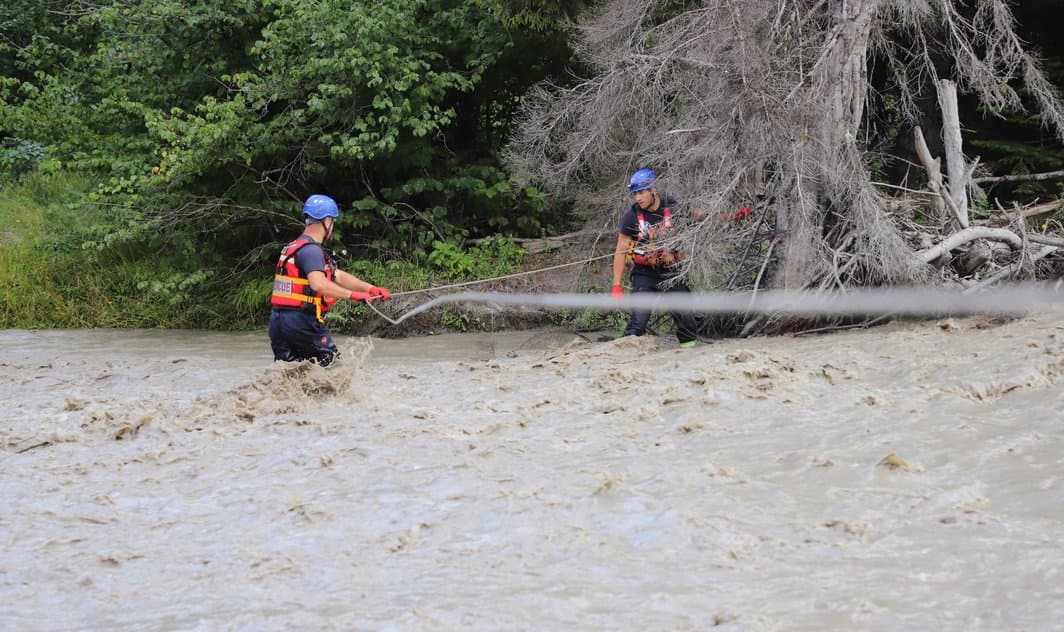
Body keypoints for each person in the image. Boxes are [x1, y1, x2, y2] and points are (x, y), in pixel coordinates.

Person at [269, 194, 391, 366]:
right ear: (326, 221)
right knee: (334, 368)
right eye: (332, 221)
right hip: (302, 322)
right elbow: (319, 284)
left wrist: (370, 289)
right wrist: (353, 295)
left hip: (278, 323)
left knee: (293, 373)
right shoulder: (312, 251)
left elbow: (337, 275)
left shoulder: (295, 247)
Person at [611, 168, 700, 347]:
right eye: (635, 194)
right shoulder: (631, 217)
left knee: (687, 322)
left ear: (653, 190)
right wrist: (616, 285)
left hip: (672, 272)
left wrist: (730, 216)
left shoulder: (673, 206)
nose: (638, 198)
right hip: (644, 274)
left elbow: (702, 215)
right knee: (638, 323)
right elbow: (620, 251)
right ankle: (623, 358)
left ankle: (689, 358)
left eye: (642, 192)